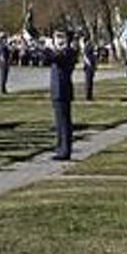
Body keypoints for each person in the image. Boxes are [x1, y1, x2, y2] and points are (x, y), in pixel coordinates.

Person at [49, 31, 77, 161]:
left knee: (64, 122)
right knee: (59, 122)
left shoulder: (68, 52)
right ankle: (60, 147)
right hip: (57, 90)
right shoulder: (62, 52)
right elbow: (48, 58)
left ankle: (65, 150)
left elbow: (55, 58)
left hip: (63, 90)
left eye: (61, 37)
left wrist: (50, 47)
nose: (58, 40)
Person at [81, 35, 97, 101]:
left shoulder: (89, 46)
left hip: (91, 65)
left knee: (90, 82)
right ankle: (88, 96)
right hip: (89, 66)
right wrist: (90, 65)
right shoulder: (87, 47)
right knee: (88, 82)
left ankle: (90, 95)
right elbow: (85, 57)